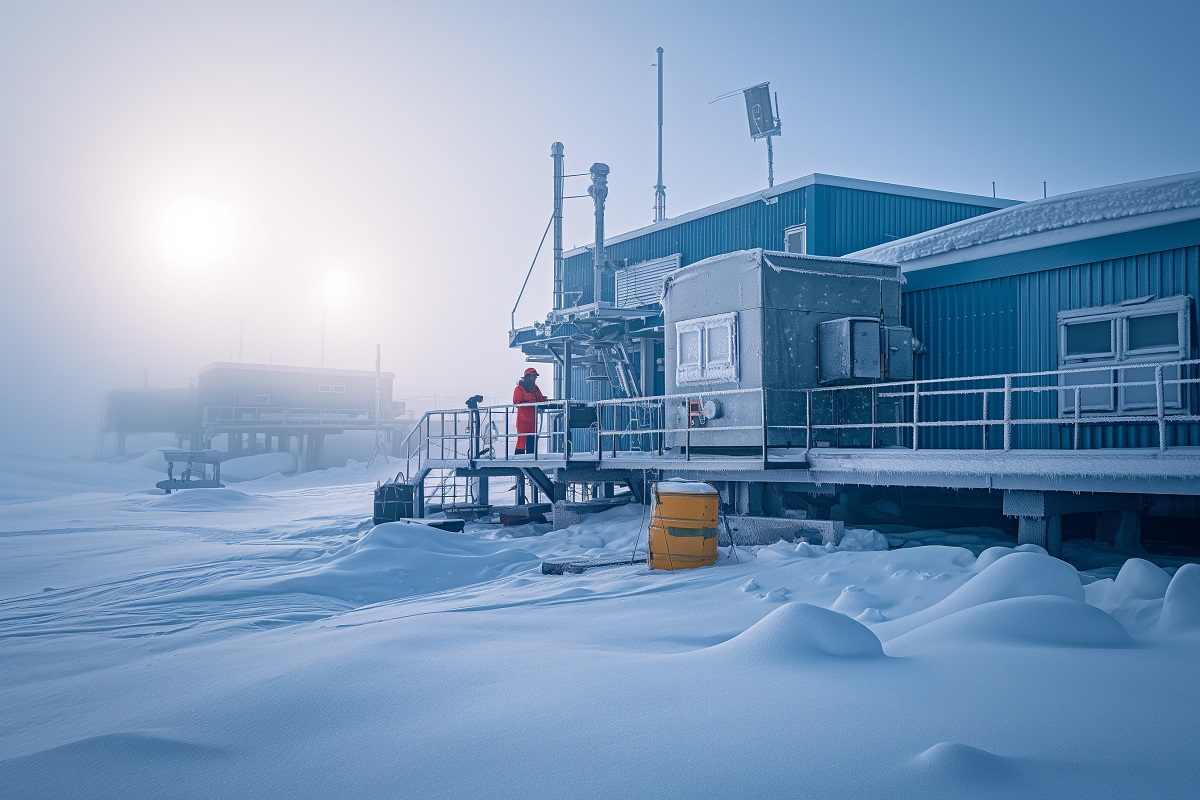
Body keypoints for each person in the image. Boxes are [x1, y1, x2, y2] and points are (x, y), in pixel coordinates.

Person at [512, 367, 546, 455]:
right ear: (527, 377)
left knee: (531, 440)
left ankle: (531, 460)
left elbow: (541, 400)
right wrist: (530, 403)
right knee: (522, 441)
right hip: (523, 420)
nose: (534, 379)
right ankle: (518, 461)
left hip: (532, 420)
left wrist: (545, 403)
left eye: (535, 377)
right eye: (532, 377)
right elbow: (517, 403)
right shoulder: (519, 389)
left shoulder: (535, 388)